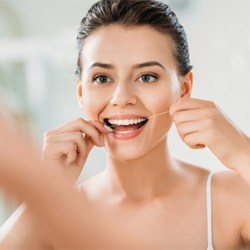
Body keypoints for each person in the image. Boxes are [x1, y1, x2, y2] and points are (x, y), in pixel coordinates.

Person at [1, 0, 250, 248]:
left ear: (184, 88)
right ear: (80, 93)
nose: (122, 98)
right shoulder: (58, 216)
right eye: (102, 78)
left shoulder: (228, 198)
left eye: (147, 77)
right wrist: (47, 190)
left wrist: (242, 152)